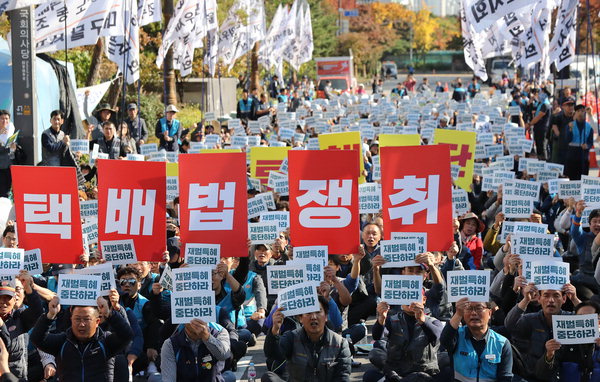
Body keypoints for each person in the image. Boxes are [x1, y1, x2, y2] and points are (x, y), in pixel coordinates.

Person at [31, 295, 134, 381]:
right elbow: (37, 339)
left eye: (87, 319)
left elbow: (127, 335)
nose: (82, 324)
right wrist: (50, 315)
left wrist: (109, 314)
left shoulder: (105, 341)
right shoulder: (62, 341)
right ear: (71, 319)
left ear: (97, 322)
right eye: (77, 319)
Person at [262, 296, 352, 382]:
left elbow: (343, 377)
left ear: (326, 317)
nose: (313, 317)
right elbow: (272, 354)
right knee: (269, 377)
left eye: (318, 312)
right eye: (308, 313)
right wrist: (275, 330)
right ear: (300, 318)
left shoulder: (340, 344)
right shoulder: (291, 337)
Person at [505, 283, 580, 382]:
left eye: (556, 295)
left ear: (564, 299)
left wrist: (575, 299)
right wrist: (526, 299)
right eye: (546, 295)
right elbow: (509, 325)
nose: (551, 300)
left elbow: (591, 322)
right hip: (532, 377)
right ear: (539, 299)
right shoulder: (530, 319)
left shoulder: (570, 319)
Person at [365, 296, 443, 382]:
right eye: (406, 296)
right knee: (370, 374)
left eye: (414, 296)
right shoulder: (392, 320)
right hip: (397, 373)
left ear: (424, 300)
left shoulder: (433, 322)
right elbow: (377, 336)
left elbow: (437, 336)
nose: (410, 301)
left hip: (423, 373)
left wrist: (422, 321)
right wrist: (381, 318)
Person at [440, 298, 513, 382]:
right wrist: (458, 313)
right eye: (469, 308)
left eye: (479, 308)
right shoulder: (457, 336)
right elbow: (445, 340)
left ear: (489, 313)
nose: (474, 313)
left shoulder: (502, 343)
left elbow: (505, 378)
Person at [535, 300, 600, 381]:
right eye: (580, 317)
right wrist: (549, 355)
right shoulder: (563, 343)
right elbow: (541, 375)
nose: (584, 320)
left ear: (598, 320)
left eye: (588, 317)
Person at [158, 318, 232, 381]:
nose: (196, 319)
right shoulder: (170, 344)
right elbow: (169, 379)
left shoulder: (219, 332)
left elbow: (224, 355)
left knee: (230, 376)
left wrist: (207, 337)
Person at [0, 272, 43, 379]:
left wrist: (28, 288)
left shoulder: (20, 318)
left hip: (17, 377)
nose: (2, 302)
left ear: (15, 300)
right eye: (0, 297)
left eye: (7, 297)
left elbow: (37, 311)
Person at [565, 104, 594, 180]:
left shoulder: (589, 126)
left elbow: (590, 141)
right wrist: (570, 130)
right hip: (572, 155)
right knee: (572, 179)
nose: (580, 113)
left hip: (584, 155)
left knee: (583, 178)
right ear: (575, 113)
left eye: (582, 111)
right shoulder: (570, 125)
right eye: (578, 111)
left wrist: (587, 146)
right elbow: (567, 140)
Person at [549, 96, 575, 164]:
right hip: (562, 146)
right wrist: (560, 135)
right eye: (568, 105)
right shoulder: (558, 116)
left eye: (572, 105)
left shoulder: (576, 116)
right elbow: (553, 126)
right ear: (563, 106)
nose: (570, 107)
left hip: (574, 146)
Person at [526, 88, 551, 160]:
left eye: (541, 93)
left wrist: (530, 124)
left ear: (545, 94)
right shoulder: (541, 103)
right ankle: (540, 162)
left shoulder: (545, 104)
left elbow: (538, 116)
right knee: (539, 147)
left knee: (542, 147)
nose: (539, 94)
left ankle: (544, 163)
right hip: (538, 128)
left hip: (543, 129)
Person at [0, 110, 16, 198]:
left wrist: (13, 149)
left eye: (6, 119)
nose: (4, 121)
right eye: (2, 118)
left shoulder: (11, 130)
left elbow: (11, 153)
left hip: (8, 166)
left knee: (6, 191)